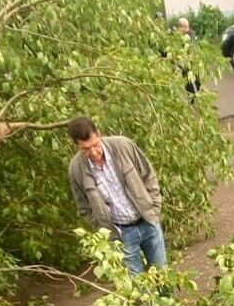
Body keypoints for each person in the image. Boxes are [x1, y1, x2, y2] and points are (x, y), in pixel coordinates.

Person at [66, 117, 167, 274]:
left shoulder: (123, 146)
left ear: (98, 134)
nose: (93, 152)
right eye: (86, 149)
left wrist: (154, 207)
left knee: (162, 276)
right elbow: (84, 207)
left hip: (148, 221)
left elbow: (148, 174)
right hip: (121, 235)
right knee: (136, 288)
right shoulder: (76, 169)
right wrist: (102, 226)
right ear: (76, 145)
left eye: (95, 145)